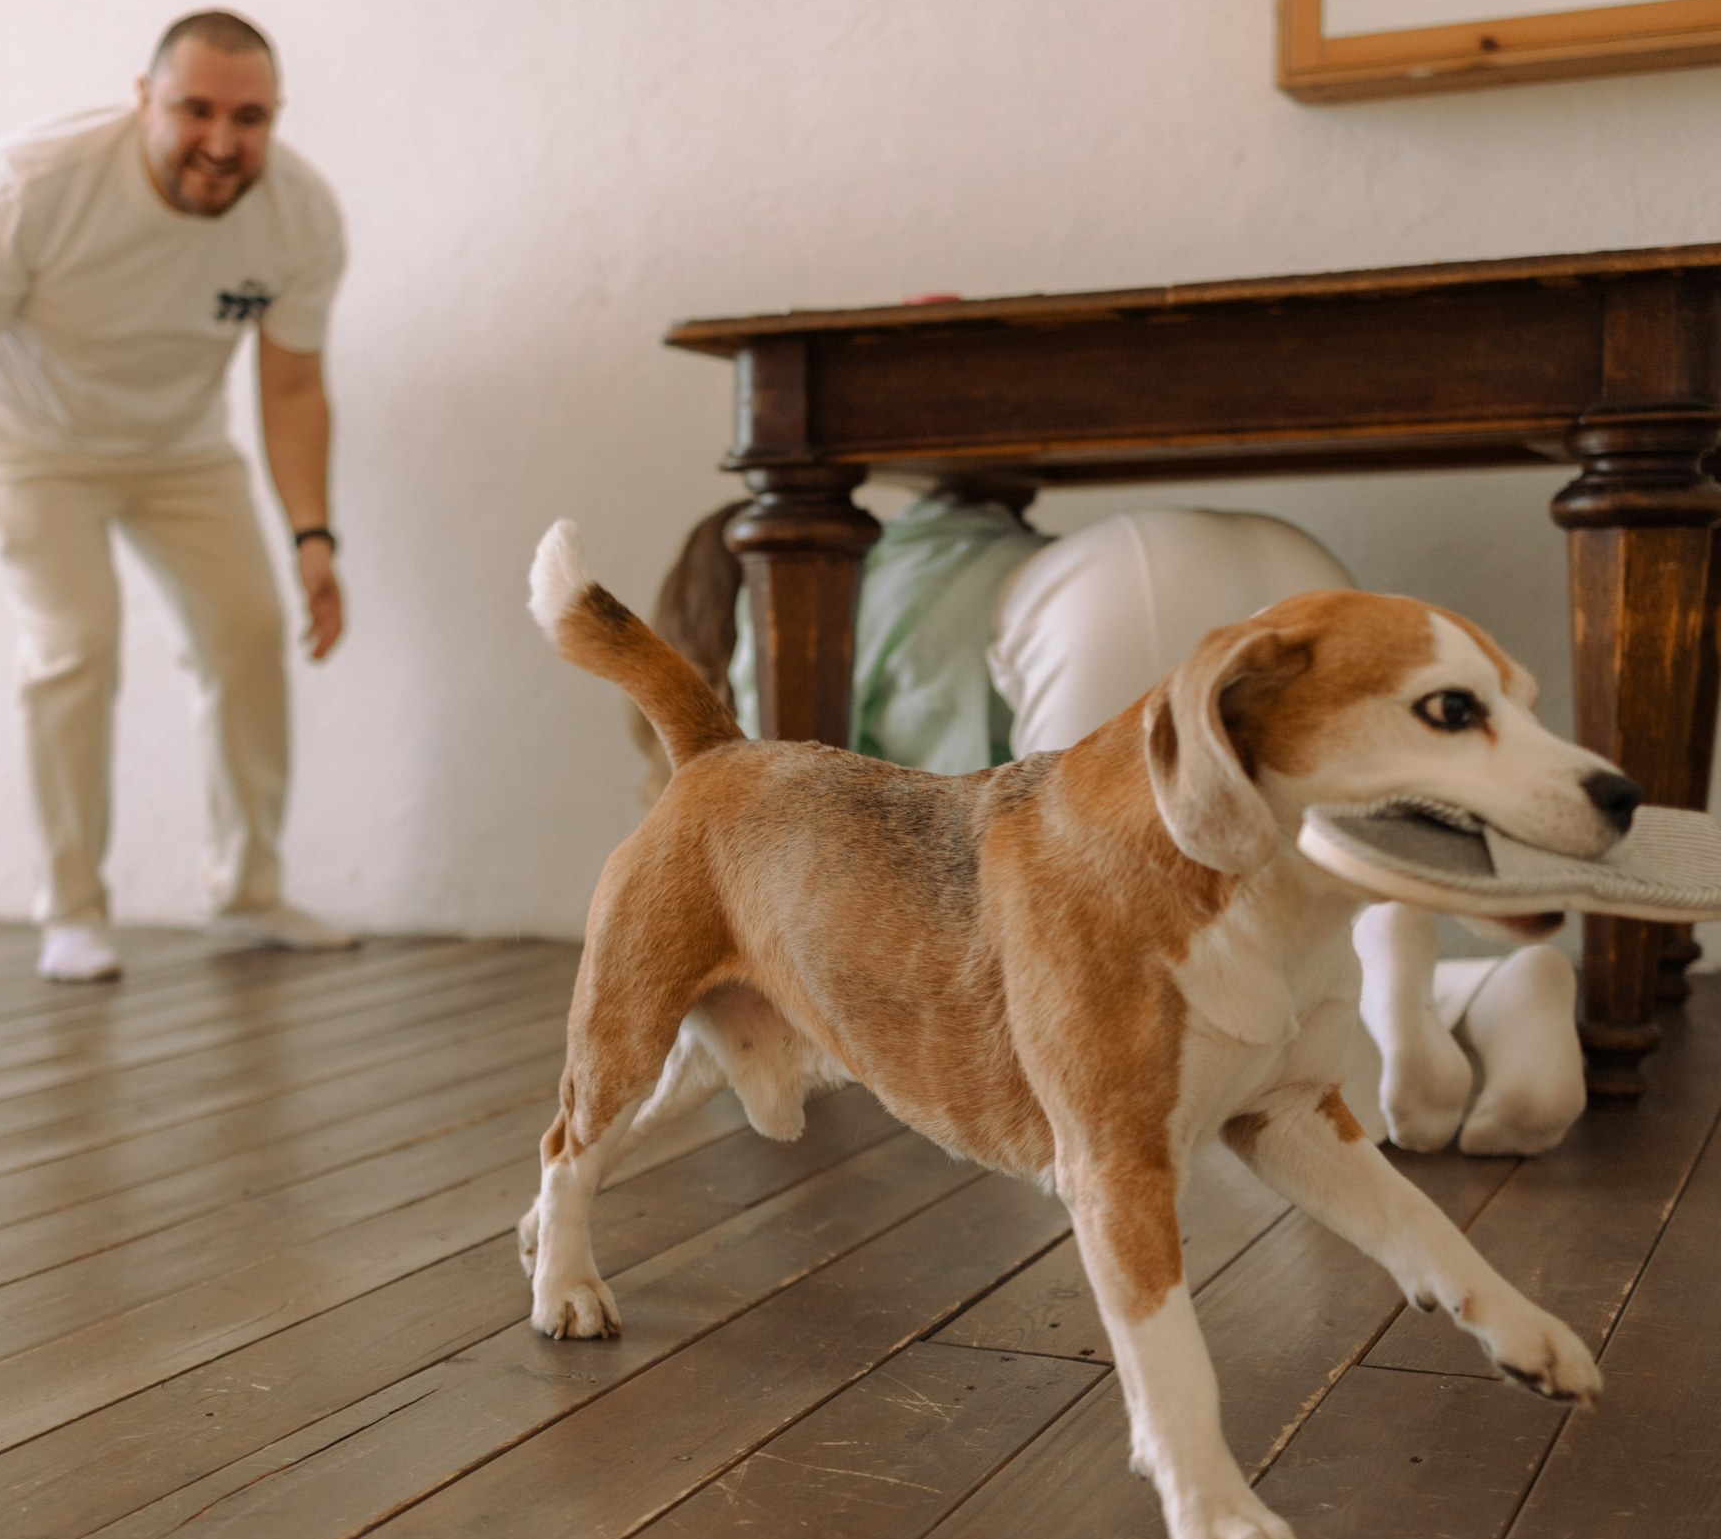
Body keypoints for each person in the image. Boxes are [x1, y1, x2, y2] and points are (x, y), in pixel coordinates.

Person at [650, 488, 1589, 1156]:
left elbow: (842, 813)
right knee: (1288, 904)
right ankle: (1471, 986)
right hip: (1278, 564)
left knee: (1151, 1038)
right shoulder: (941, 535)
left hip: (1092, 630)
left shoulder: (797, 612)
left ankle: (1392, 1026)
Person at [0, 9, 357, 982]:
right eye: (194, 110)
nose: (221, 142)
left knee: (249, 632)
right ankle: (72, 913)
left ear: (276, 118)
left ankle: (246, 891)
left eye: (249, 117)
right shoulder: (27, 185)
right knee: (75, 645)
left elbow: (292, 385)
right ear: (143, 100)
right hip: (28, 445)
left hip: (179, 450)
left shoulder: (301, 214)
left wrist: (314, 536)